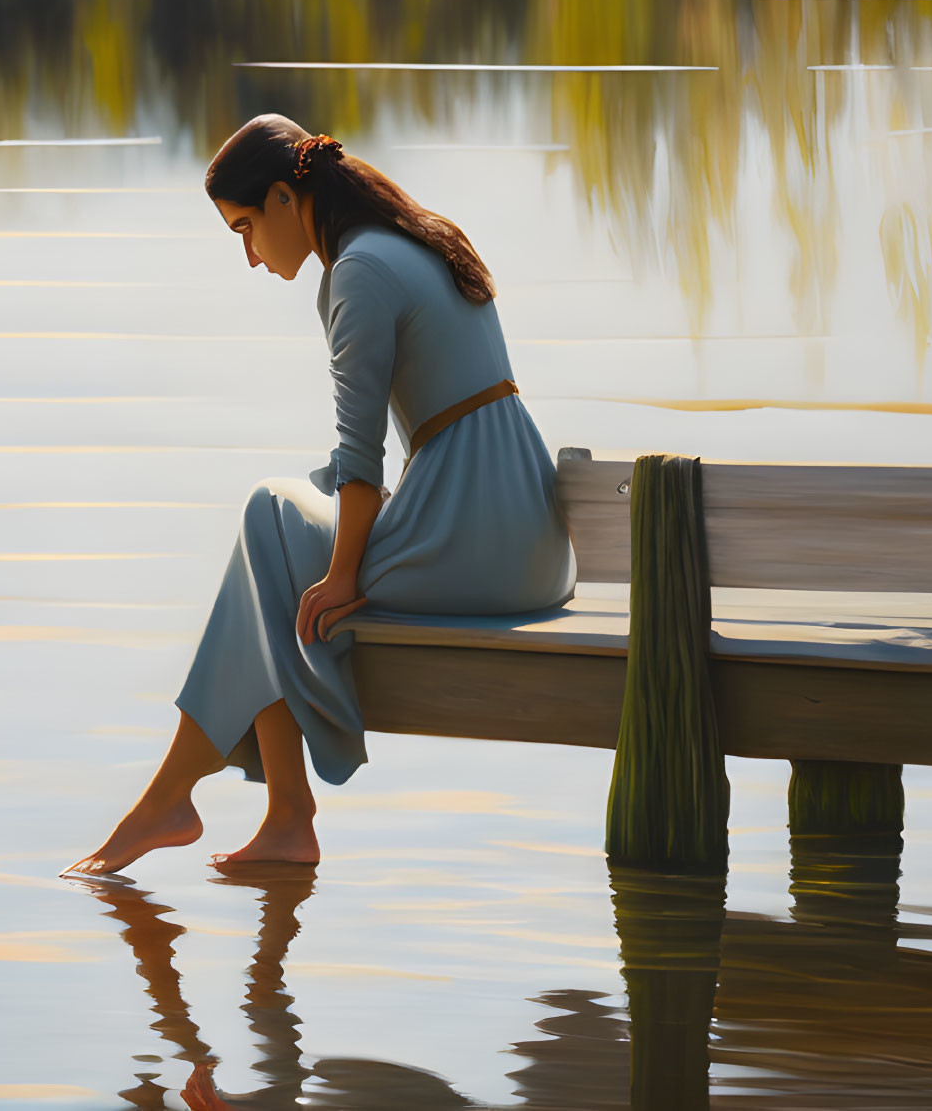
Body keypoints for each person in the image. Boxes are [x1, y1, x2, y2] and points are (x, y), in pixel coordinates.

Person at [61, 114, 576, 878]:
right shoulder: (418, 237)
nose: (247, 254)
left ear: (281, 197)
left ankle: (216, 806)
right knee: (276, 519)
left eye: (243, 228)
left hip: (473, 542)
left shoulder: (358, 273)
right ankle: (266, 815)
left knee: (267, 518)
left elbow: (361, 463)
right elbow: (365, 461)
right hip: (528, 535)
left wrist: (340, 577)